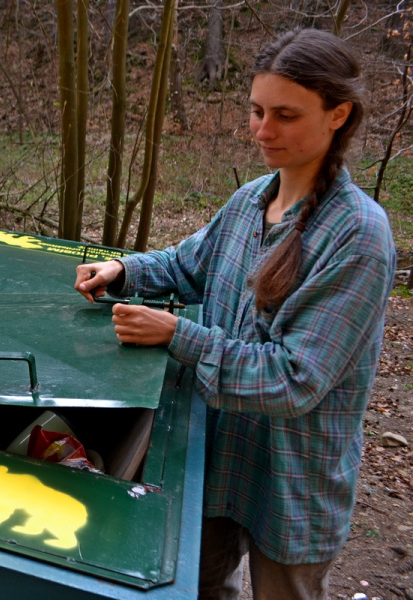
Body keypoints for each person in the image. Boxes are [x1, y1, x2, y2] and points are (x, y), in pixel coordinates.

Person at [74, 28, 396, 600]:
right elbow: (190, 263)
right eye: (255, 111)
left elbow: (296, 380)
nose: (263, 131)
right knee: (195, 588)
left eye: (286, 115)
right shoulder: (251, 200)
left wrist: (179, 335)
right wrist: (124, 272)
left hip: (294, 478)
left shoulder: (358, 237)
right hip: (216, 457)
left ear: (338, 114)